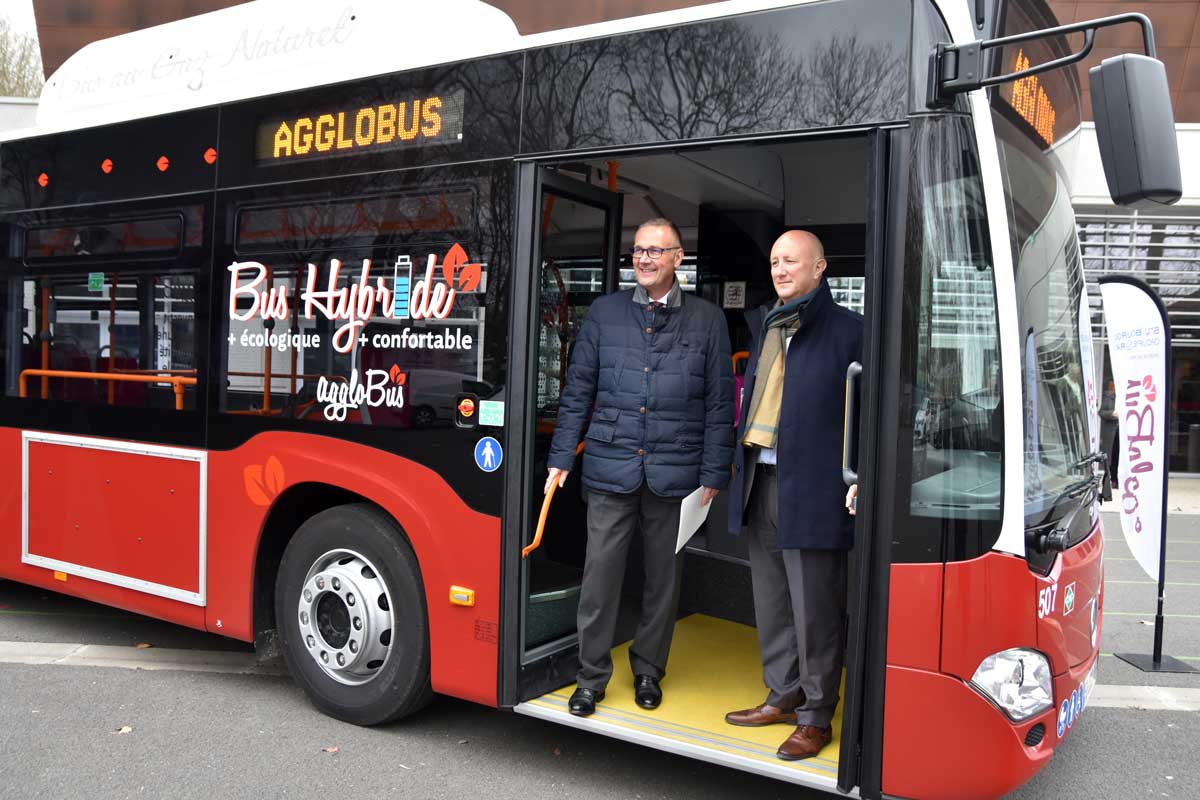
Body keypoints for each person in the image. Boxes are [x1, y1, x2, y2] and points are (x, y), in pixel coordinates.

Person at [546, 218, 733, 717]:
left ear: (678, 258)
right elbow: (577, 391)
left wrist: (716, 471)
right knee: (600, 578)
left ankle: (649, 670)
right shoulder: (605, 313)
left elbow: (719, 404)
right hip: (610, 467)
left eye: (656, 251)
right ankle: (590, 678)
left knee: (663, 581)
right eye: (638, 251)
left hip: (676, 475)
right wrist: (562, 457)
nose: (644, 259)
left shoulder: (708, 320)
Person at [724, 230, 862, 761]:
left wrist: (861, 478)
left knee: (816, 609)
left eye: (792, 261)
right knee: (774, 601)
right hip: (760, 476)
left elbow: (870, 415)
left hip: (817, 488)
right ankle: (782, 694)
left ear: (820, 267)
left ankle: (816, 715)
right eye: (775, 260)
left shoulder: (849, 331)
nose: (780, 269)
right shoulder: (768, 326)